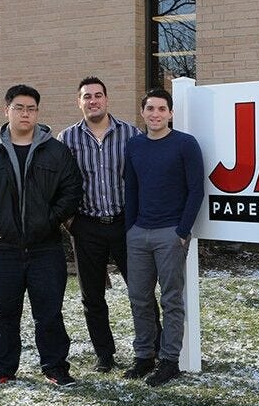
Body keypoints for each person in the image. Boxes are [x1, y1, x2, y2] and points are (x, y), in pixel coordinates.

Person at [0, 84, 83, 390]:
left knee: (49, 312)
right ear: (7, 111)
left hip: (45, 248)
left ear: (37, 112)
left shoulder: (56, 151)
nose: (25, 113)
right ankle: (2, 369)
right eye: (19, 107)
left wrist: (50, 219)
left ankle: (55, 367)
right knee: (3, 313)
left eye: (31, 108)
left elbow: (72, 190)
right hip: (1, 250)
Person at [59, 76, 160, 373]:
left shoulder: (131, 135)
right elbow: (57, 183)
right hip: (86, 225)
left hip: (125, 224)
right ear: (79, 102)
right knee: (92, 296)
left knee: (141, 290)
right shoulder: (67, 139)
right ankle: (105, 354)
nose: (93, 101)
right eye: (87, 96)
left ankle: (154, 348)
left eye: (98, 95)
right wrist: (69, 221)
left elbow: (147, 177)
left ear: (107, 99)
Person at [124, 88, 204, 386]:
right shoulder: (134, 146)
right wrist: (130, 228)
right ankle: (144, 355)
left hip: (170, 233)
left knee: (171, 299)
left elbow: (196, 189)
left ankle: (170, 361)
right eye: (150, 109)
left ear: (170, 113)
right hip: (138, 234)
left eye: (161, 109)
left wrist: (182, 231)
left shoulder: (185, 144)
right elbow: (131, 188)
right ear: (142, 113)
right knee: (139, 298)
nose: (155, 114)